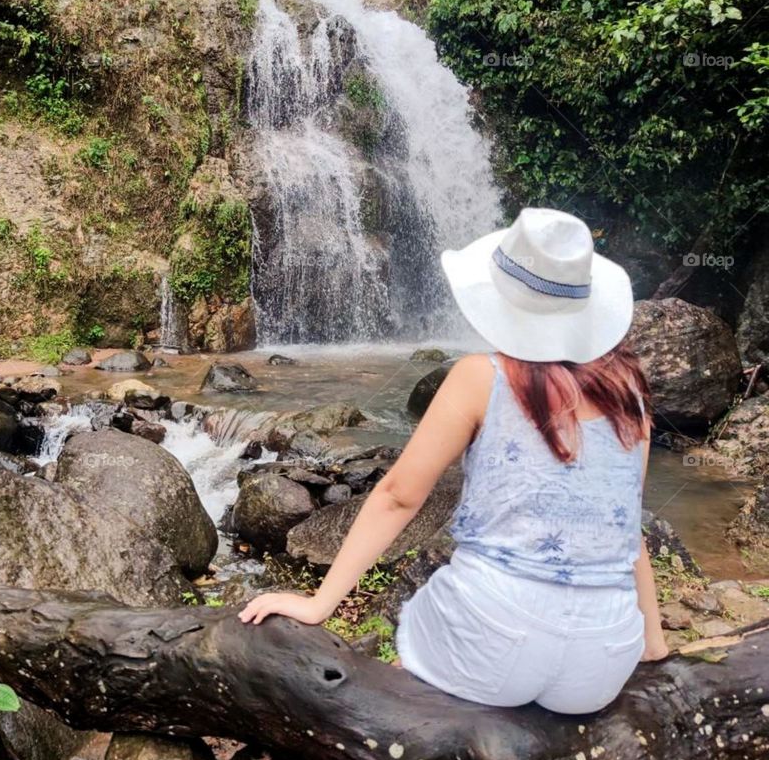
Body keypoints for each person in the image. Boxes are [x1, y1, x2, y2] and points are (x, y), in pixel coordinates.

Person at [239, 207, 668, 714]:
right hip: (603, 658)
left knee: (417, 618)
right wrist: (653, 641)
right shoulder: (630, 392)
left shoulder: (480, 376)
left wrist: (318, 604)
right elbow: (626, 520)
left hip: (494, 638)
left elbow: (399, 495)